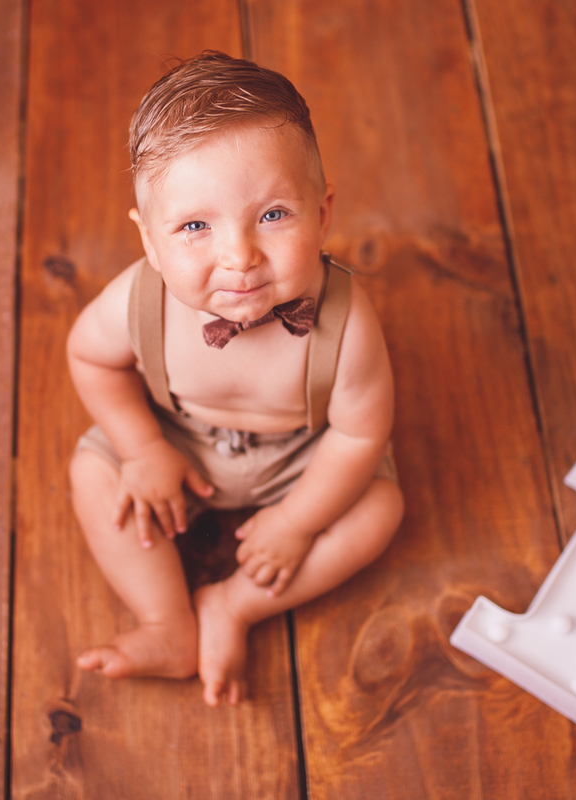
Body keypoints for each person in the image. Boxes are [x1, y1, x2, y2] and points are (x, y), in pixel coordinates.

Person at [66, 51, 403, 707]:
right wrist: (141, 449)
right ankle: (167, 625)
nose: (239, 256)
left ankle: (234, 605)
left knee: (378, 511)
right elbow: (90, 358)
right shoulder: (138, 302)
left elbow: (361, 435)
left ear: (323, 213)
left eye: (274, 215)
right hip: (177, 438)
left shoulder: (346, 323)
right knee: (92, 471)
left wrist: (299, 522)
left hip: (301, 456)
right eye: (195, 226)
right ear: (150, 244)